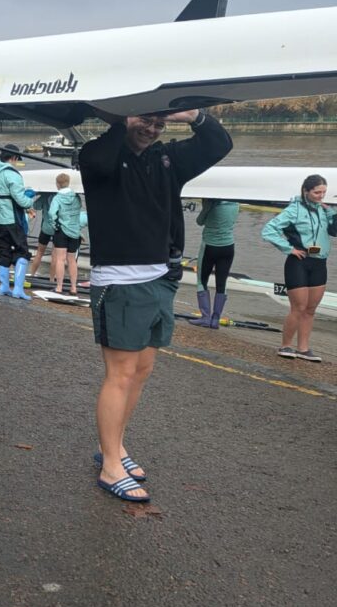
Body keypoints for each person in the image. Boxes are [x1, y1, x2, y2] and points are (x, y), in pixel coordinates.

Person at [79, 109, 232, 504]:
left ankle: (115, 446)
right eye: (145, 119)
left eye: (159, 122)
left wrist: (193, 114)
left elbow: (219, 143)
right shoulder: (100, 156)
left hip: (162, 276)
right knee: (121, 373)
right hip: (120, 279)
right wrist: (121, 120)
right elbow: (97, 160)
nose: (152, 128)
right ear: (126, 120)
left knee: (142, 370)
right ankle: (110, 465)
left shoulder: (168, 160)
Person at [262, 174, 335, 361]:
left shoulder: (323, 210)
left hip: (319, 263)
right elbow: (269, 230)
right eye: (317, 192)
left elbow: (334, 231)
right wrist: (288, 249)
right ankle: (285, 346)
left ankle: (303, 349)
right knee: (299, 307)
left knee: (310, 309)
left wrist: (331, 214)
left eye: (323, 192)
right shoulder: (294, 210)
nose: (321, 196)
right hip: (299, 262)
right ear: (306, 191)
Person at [0, 144, 36, 299]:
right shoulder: (12, 174)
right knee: (22, 251)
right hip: (12, 220)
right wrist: (30, 197)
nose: (16, 163)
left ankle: (4, 287)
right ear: (13, 157)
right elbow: (22, 201)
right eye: (17, 160)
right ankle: (18, 289)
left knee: (3, 251)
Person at [189, 198, 240, 327]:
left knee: (202, 281)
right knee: (221, 283)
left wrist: (206, 206)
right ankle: (215, 320)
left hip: (210, 247)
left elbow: (199, 221)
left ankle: (205, 317)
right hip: (228, 247)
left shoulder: (211, 202)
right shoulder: (235, 203)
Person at [48, 172, 88, 295]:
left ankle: (59, 287)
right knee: (72, 260)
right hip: (75, 232)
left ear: (57, 184)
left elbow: (51, 213)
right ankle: (73, 288)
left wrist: (55, 225)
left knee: (60, 259)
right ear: (68, 183)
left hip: (62, 231)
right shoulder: (76, 197)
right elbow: (79, 208)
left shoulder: (57, 198)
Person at [26, 191, 55, 282]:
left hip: (45, 229)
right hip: (58, 230)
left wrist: (40, 194)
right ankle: (52, 279)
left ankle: (32, 275)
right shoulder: (61, 196)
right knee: (55, 256)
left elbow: (35, 206)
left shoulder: (45, 195)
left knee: (39, 253)